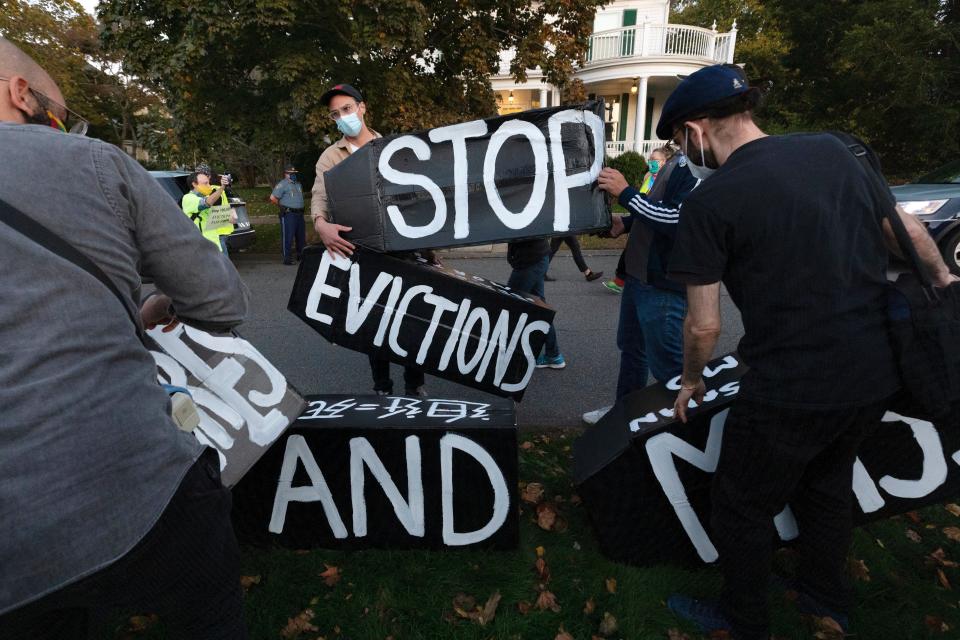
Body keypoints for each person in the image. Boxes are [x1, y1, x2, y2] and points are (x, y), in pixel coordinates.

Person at [660, 64, 958, 639]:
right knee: (826, 485)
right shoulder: (832, 151)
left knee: (741, 506)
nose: (682, 151)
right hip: (875, 372)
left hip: (791, 385)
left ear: (695, 130)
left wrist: (691, 381)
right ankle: (826, 597)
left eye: (678, 141)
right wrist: (948, 289)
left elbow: (702, 326)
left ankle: (743, 619)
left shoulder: (711, 201)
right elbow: (910, 236)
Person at [0, 38, 249, 638]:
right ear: (19, 92)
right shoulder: (93, 162)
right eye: (62, 117)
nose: (66, 131)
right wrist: (156, 304)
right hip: (138, 488)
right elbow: (221, 301)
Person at [310, 83, 427, 396]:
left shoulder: (393, 149)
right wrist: (321, 224)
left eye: (347, 109)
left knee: (412, 319)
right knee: (374, 322)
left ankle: (414, 386)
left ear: (362, 108)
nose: (342, 117)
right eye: (335, 114)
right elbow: (320, 195)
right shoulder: (330, 157)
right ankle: (382, 388)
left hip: (404, 249)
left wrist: (431, 250)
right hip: (362, 251)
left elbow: (416, 199)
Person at [581, 142, 697, 425]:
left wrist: (625, 192)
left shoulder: (697, 167)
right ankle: (625, 414)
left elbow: (677, 219)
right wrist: (627, 222)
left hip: (663, 284)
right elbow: (657, 206)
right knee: (633, 349)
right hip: (639, 277)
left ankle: (684, 431)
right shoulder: (678, 159)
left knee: (668, 365)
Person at [602, 146, 674, 295]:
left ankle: (620, 280)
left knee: (629, 252)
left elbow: (662, 212)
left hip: (651, 238)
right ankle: (622, 280)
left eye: (655, 160)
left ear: (664, 162)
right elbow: (643, 200)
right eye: (650, 159)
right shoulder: (648, 176)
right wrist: (626, 222)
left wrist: (624, 193)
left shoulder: (670, 178)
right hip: (638, 221)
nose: (651, 162)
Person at [507, 238, 565, 369]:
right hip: (538, 257)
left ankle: (502, 353)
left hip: (529, 262)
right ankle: (553, 355)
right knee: (540, 308)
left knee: (510, 305)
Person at [181, 166, 236, 254]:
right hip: (202, 247)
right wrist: (222, 187)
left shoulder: (211, 192)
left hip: (215, 242)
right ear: (194, 184)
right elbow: (207, 203)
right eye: (205, 183)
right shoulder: (188, 198)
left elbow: (218, 210)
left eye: (208, 182)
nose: (208, 186)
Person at [271, 163, 306, 265]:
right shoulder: (282, 184)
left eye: (294, 173)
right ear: (285, 174)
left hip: (299, 214)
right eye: (290, 173)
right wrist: (282, 207)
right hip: (289, 214)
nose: (293, 174)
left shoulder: (298, 184)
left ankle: (301, 255)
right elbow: (273, 198)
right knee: (288, 236)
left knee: (301, 237)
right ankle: (287, 258)